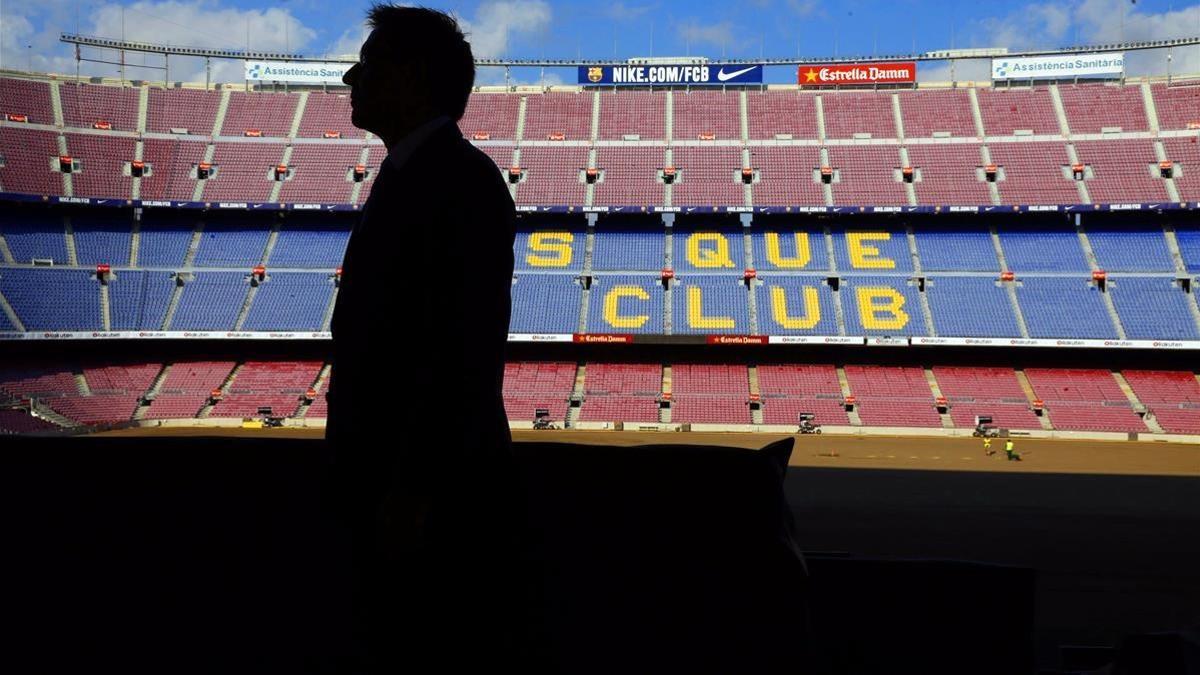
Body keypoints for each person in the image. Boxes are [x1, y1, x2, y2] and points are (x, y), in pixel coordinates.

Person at [323, 4, 523, 671]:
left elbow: (455, 351)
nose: (353, 76)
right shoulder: (419, 172)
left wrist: (411, 491)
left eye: (370, 64)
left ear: (409, 79)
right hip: (397, 489)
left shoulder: (458, 181)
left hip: (423, 503)